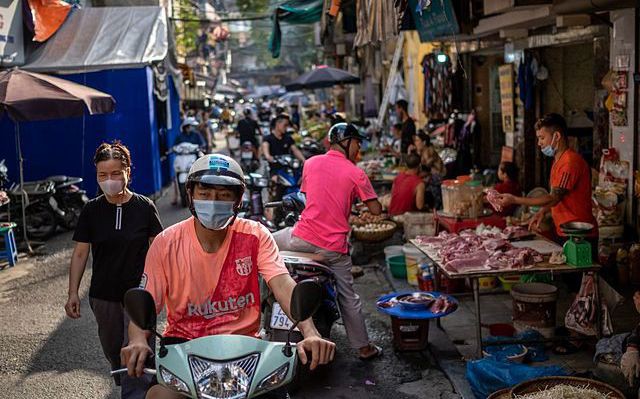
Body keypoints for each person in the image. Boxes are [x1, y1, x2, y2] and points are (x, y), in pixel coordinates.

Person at [120, 154, 335, 399]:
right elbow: (146, 299)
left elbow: (282, 284)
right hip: (184, 347)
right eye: (205, 192)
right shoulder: (166, 243)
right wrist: (137, 340)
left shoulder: (256, 235)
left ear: (238, 200)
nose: (213, 201)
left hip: (246, 348)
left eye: (224, 195)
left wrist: (310, 332)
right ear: (190, 194)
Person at [273, 123, 383, 361]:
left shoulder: (310, 163)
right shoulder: (356, 173)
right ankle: (364, 348)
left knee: (266, 243)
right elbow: (375, 210)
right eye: (357, 143)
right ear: (346, 142)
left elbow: (309, 196)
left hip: (299, 240)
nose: (359, 148)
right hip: (332, 251)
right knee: (348, 296)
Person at [65, 142, 163, 399]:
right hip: (103, 294)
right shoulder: (91, 210)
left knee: (138, 350)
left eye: (116, 173)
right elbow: (80, 253)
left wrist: (163, 288)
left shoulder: (144, 207)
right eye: (102, 175)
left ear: (128, 172)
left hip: (140, 294)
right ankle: (125, 374)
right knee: (113, 348)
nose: (109, 180)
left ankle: (137, 392)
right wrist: (72, 292)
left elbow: (160, 250)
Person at [495, 113, 597, 246]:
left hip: (580, 235)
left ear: (557, 136)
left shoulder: (570, 162)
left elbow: (553, 197)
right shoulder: (557, 161)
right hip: (565, 231)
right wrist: (543, 211)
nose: (539, 143)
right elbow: (559, 199)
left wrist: (514, 199)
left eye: (542, 138)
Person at [171, 117, 206, 206]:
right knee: (175, 175)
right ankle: (176, 196)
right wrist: (173, 149)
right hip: (182, 158)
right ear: (186, 126)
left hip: (193, 156)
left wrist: (201, 147)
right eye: (191, 126)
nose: (192, 127)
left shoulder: (196, 135)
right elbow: (174, 146)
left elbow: (202, 144)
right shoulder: (180, 136)